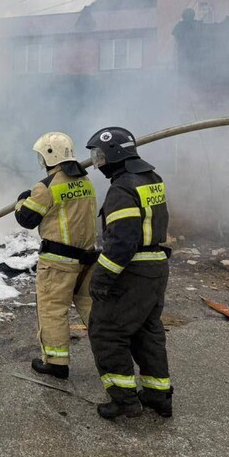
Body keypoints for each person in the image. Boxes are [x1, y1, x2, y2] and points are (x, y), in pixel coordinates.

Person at [85, 127, 173, 420]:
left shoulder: (122, 188)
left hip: (133, 272)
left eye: (100, 156)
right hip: (156, 267)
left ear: (114, 154)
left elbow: (122, 241)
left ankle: (124, 400)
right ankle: (158, 395)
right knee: (147, 332)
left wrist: (102, 277)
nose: (98, 163)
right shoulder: (151, 178)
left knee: (107, 332)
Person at [14, 132, 98, 380]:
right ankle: (111, 351)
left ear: (50, 156)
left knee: (52, 309)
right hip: (87, 259)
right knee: (92, 306)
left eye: (41, 156)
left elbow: (26, 219)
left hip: (58, 264)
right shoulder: (85, 181)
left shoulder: (46, 186)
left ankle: (55, 362)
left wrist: (22, 201)